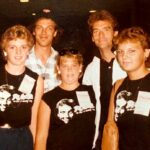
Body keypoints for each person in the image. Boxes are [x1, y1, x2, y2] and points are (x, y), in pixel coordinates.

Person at [35, 48, 96, 150]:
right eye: (65, 66)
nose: (69, 70)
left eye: (73, 65)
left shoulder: (91, 92)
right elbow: (41, 138)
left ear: (80, 67)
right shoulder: (48, 98)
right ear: (58, 69)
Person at [82, 10, 126, 149]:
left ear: (115, 33)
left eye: (106, 29)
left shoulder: (126, 64)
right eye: (96, 31)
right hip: (100, 138)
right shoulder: (90, 69)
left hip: (128, 138)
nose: (101, 35)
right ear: (92, 38)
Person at [0, 25, 43, 150]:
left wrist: (35, 144)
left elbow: (34, 119)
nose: (18, 52)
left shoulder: (37, 80)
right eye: (13, 47)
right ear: (5, 51)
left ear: (28, 51)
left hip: (23, 138)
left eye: (23, 47)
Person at [107, 26, 150, 150]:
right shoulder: (118, 85)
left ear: (146, 52)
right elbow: (111, 128)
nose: (124, 56)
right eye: (120, 51)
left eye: (131, 51)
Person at [26, 12, 60, 93]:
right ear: (34, 31)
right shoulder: (22, 58)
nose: (44, 32)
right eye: (39, 28)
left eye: (49, 28)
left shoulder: (62, 60)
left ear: (55, 33)